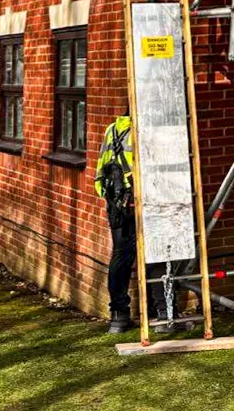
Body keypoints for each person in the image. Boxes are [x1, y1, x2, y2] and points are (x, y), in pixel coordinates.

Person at [94, 112, 137, 332]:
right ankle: (163, 311)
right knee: (156, 254)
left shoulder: (111, 129)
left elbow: (100, 170)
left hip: (114, 202)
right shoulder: (141, 130)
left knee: (120, 256)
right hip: (136, 200)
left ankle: (118, 316)